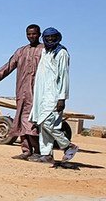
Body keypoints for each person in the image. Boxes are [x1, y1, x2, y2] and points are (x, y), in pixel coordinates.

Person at [0, 24, 43, 159]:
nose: (31, 36)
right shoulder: (21, 51)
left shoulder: (44, 50)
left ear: (39, 34)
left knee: (34, 122)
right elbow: (9, 66)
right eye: (29, 34)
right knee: (20, 120)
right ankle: (26, 151)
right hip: (21, 92)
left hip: (38, 93)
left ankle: (38, 151)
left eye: (34, 34)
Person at [29, 27, 79, 164]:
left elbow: (63, 77)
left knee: (48, 123)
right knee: (42, 124)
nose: (50, 40)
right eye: (48, 37)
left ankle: (68, 146)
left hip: (54, 96)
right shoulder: (45, 51)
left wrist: (62, 98)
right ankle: (46, 154)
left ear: (58, 38)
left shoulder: (61, 53)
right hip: (42, 95)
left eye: (53, 37)